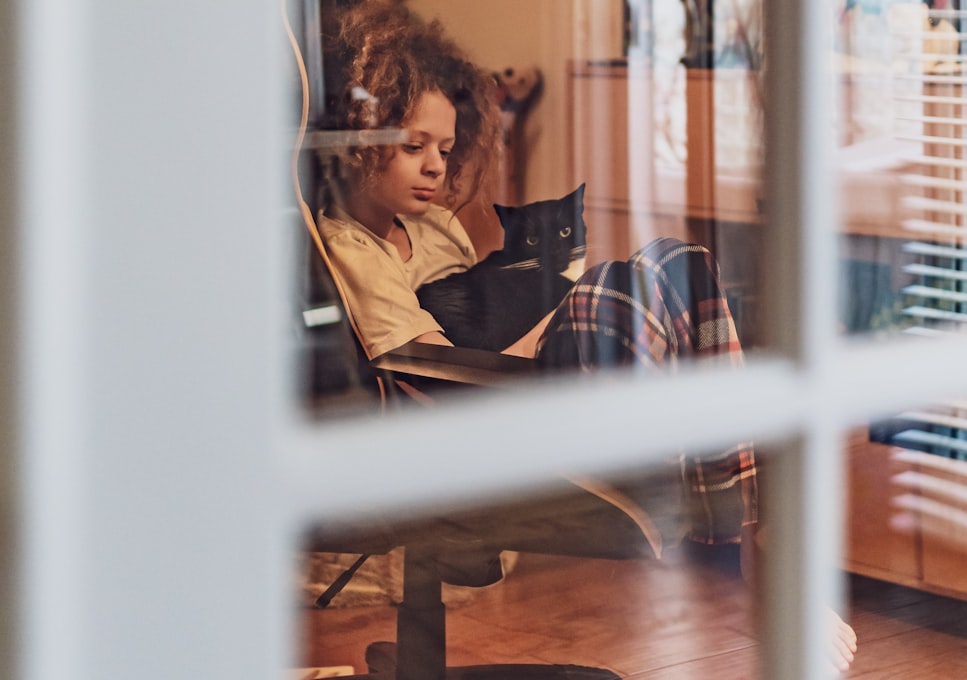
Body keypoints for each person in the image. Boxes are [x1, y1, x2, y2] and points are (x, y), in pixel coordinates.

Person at [312, 0, 857, 673]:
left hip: (528, 383)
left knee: (680, 267)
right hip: (483, 422)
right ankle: (678, 473)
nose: (434, 167)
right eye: (412, 146)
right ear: (355, 138)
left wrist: (541, 304)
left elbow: (479, 313)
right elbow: (419, 373)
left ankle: (761, 540)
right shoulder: (347, 247)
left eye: (446, 151)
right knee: (613, 288)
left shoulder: (434, 231)